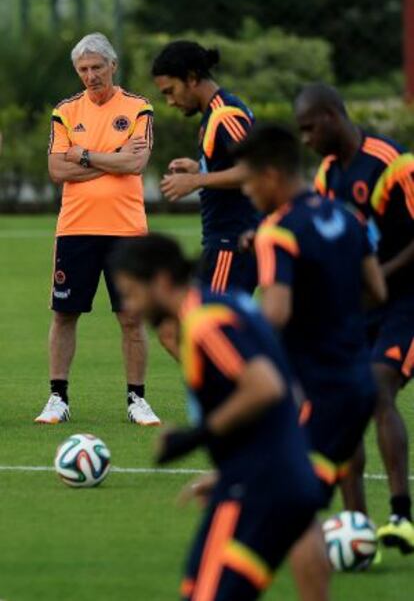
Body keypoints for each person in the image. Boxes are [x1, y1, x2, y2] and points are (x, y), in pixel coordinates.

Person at [110, 234, 330, 601]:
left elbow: (265, 387)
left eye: (133, 292)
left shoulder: (203, 323)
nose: (130, 306)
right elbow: (289, 392)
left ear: (162, 282)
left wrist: (194, 437)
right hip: (279, 477)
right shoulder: (232, 305)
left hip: (256, 489)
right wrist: (228, 468)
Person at [234, 124, 385, 513]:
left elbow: (277, 313)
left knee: (288, 503)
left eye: (248, 183)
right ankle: (356, 531)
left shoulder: (276, 231)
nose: (247, 193)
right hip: (358, 380)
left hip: (317, 388)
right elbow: (377, 291)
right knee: (315, 482)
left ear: (270, 175)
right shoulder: (348, 216)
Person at [295, 82, 414, 552]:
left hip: (407, 303)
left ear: (329, 117)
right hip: (359, 309)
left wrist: (376, 276)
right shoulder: (327, 175)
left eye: (308, 129)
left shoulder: (393, 164)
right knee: (343, 403)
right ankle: (357, 525)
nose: (305, 139)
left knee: (378, 386)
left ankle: (402, 516)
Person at [35, 32, 160, 426]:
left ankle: (136, 400)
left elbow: (135, 165)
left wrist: (85, 155)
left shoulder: (138, 108)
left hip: (127, 230)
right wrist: (113, 157)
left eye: (96, 68)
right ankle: (57, 398)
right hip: (76, 228)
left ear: (113, 66)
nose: (90, 76)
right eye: (83, 69)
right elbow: (57, 170)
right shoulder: (66, 112)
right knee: (65, 313)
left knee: (131, 317)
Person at [152, 40, 259, 296]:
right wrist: (199, 168)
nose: (169, 101)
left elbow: (255, 169)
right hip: (222, 241)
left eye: (170, 91)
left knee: (211, 327)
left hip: (231, 242)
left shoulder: (225, 114)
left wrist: (196, 181)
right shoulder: (212, 113)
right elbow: (233, 165)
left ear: (191, 78)